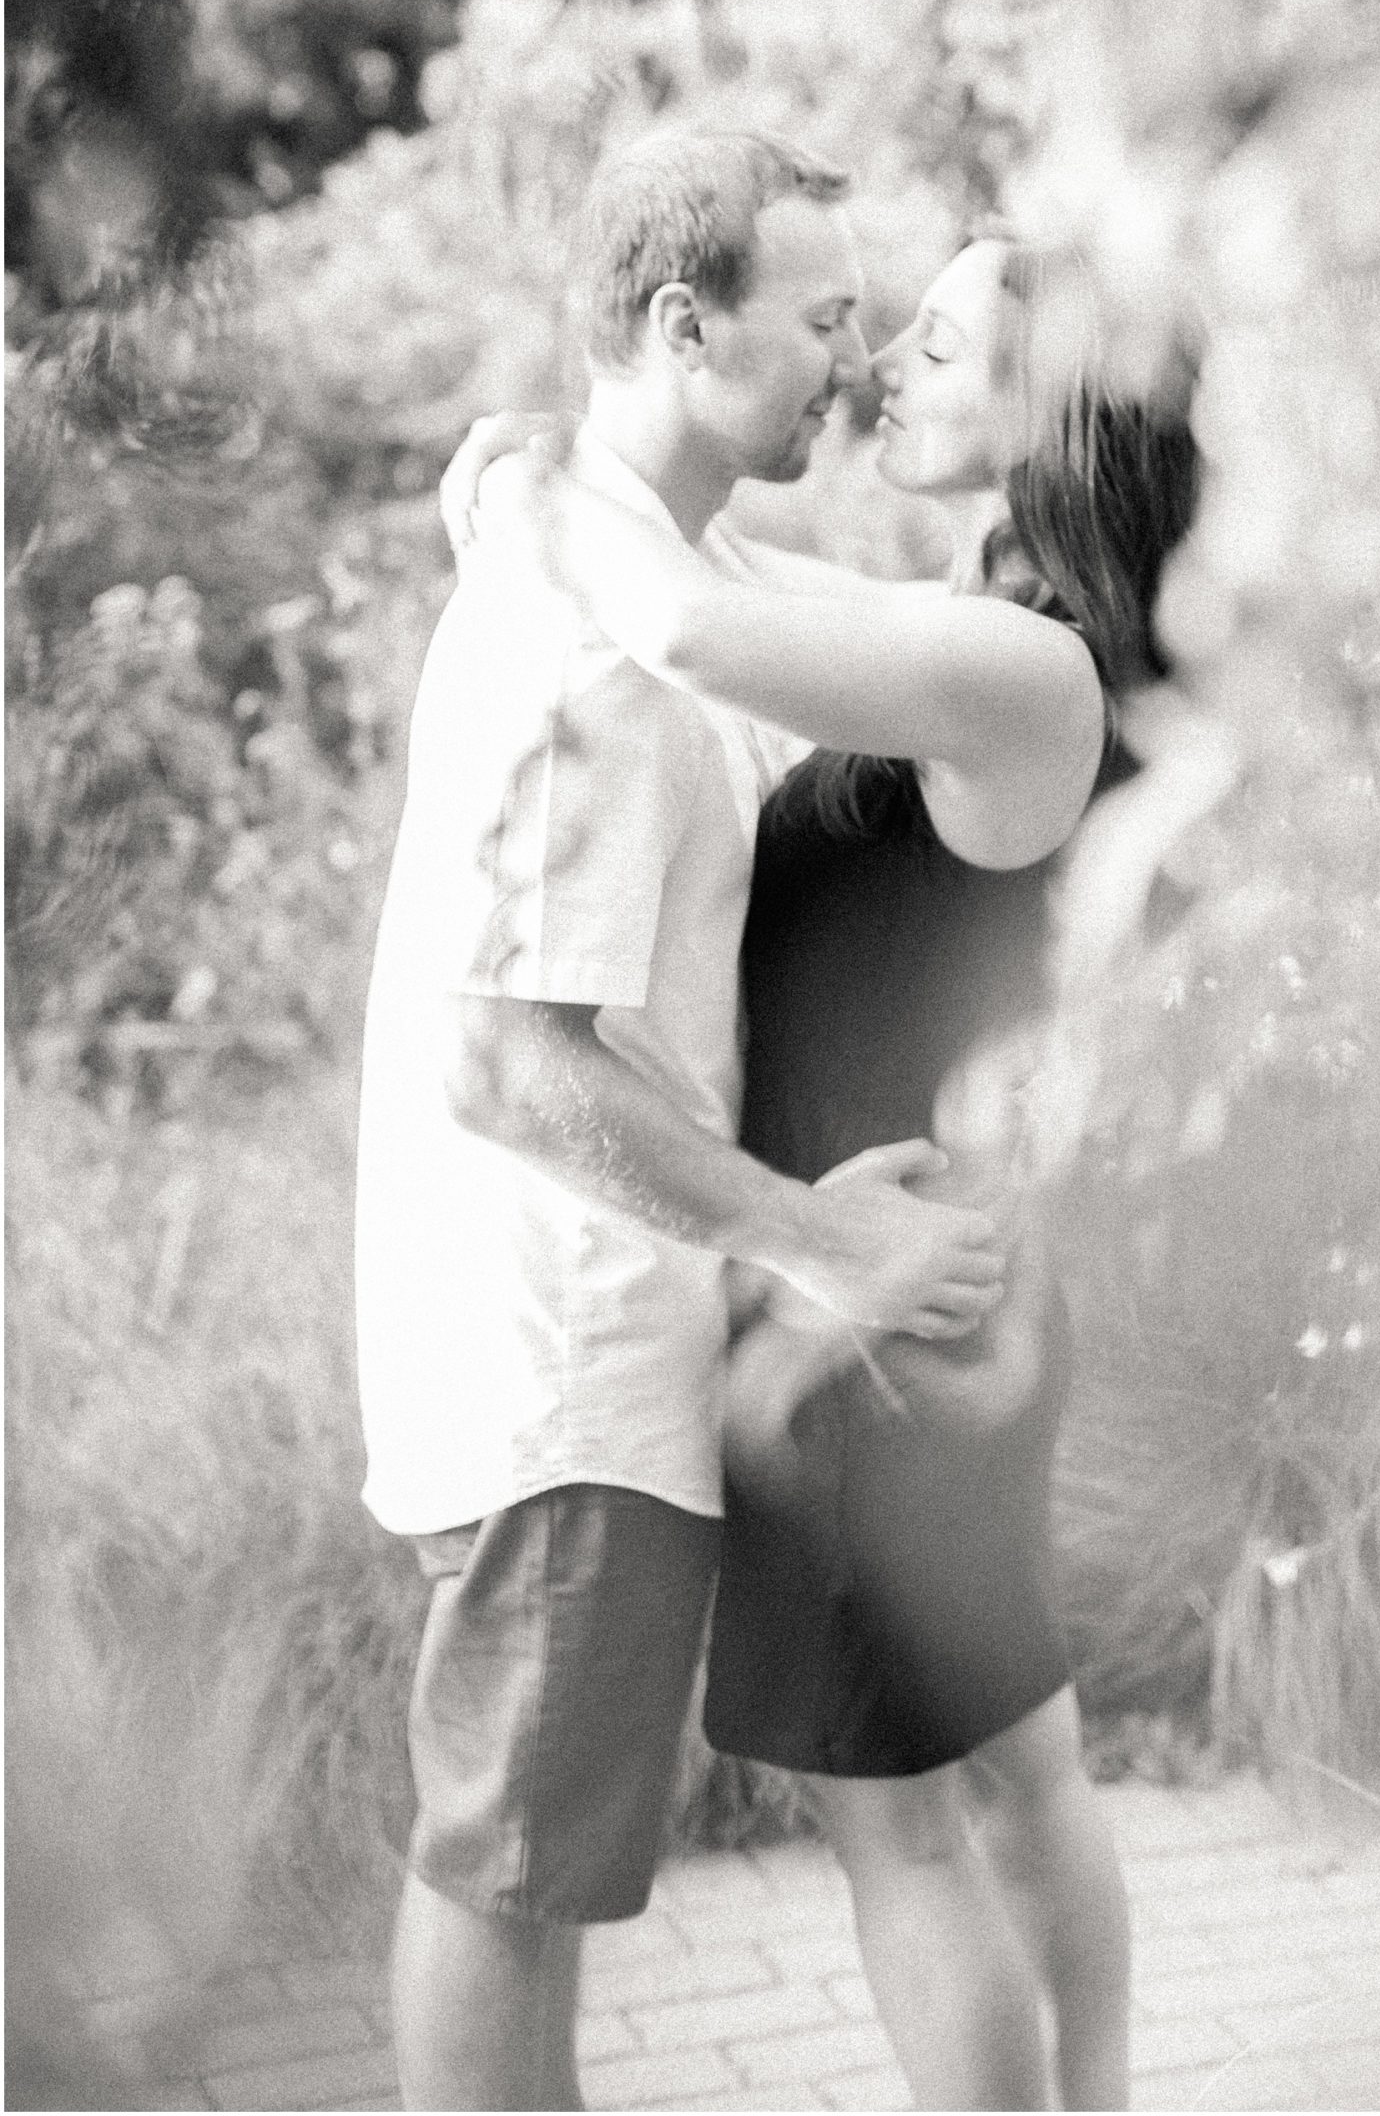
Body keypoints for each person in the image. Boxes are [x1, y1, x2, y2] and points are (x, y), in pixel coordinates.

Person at [454, 225, 1207, 2109]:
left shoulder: (1023, 666)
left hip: (874, 1308)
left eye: (941, 351)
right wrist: (573, 497)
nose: (889, 372)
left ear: (1051, 413)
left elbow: (695, 624)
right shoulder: (1015, 622)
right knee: (1024, 1769)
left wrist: (551, 480)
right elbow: (736, 581)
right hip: (936, 1279)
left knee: (907, 1831)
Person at [354, 129, 1010, 2113]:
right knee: (507, 1867)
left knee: (532, 1863)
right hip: (562, 1353)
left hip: (610, 1341)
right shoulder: (586, 654)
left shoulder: (656, 553)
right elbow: (511, 1065)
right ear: (680, 320)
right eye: (821, 318)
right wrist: (826, 1237)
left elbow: (887, 643)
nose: (855, 358)